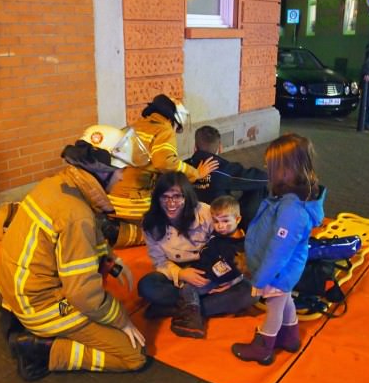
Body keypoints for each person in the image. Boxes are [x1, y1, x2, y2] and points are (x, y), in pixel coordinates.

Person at [0, 125, 147, 381]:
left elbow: (88, 233)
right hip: (40, 305)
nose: (123, 177)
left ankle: (20, 324)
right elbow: (83, 295)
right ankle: (42, 351)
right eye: (121, 170)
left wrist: (112, 261)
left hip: (16, 292)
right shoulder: (76, 215)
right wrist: (122, 320)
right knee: (134, 354)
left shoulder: (60, 185)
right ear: (103, 171)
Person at [231, 133, 326, 366]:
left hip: (277, 271)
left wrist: (261, 278)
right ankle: (290, 336)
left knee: (274, 305)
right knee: (283, 299)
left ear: (288, 169)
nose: (267, 169)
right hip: (282, 270)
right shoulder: (289, 200)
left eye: (271, 166)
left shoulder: (291, 209)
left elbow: (278, 250)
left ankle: (263, 347)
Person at [137, 172, 257, 325]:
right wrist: (181, 273)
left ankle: (178, 308)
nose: (171, 203)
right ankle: (196, 306)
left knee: (250, 292)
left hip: (212, 270)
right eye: (165, 197)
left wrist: (231, 280)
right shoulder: (151, 223)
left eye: (177, 196)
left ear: (186, 196)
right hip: (179, 273)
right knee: (147, 286)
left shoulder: (206, 212)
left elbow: (235, 245)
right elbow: (159, 261)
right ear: (157, 198)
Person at [104, 94, 218, 248]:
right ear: (173, 121)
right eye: (177, 128)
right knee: (164, 232)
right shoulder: (164, 129)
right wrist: (196, 174)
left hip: (112, 195)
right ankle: (117, 233)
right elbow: (165, 162)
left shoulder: (137, 125)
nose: (175, 132)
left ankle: (114, 225)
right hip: (132, 200)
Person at [170, 195, 247, 338]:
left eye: (225, 221)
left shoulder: (239, 247)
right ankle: (184, 307)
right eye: (216, 221)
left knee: (188, 288)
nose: (220, 226)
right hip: (202, 270)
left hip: (210, 278)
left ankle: (192, 321)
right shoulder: (219, 236)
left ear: (237, 219)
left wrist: (205, 276)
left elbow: (223, 270)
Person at [185, 125, 268, 230]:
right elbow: (262, 178)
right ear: (220, 148)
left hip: (191, 220)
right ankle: (244, 229)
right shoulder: (224, 169)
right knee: (258, 186)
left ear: (195, 148)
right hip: (219, 221)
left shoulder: (183, 167)